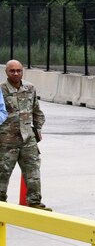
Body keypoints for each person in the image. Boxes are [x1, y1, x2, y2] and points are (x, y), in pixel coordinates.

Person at [0, 60, 50, 210]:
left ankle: (34, 202)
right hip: (6, 141)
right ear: (6, 72)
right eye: (12, 71)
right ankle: (1, 204)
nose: (16, 73)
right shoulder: (1, 90)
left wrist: (38, 128)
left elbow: (37, 111)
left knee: (33, 171)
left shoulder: (29, 88)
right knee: (2, 173)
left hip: (28, 139)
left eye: (19, 70)